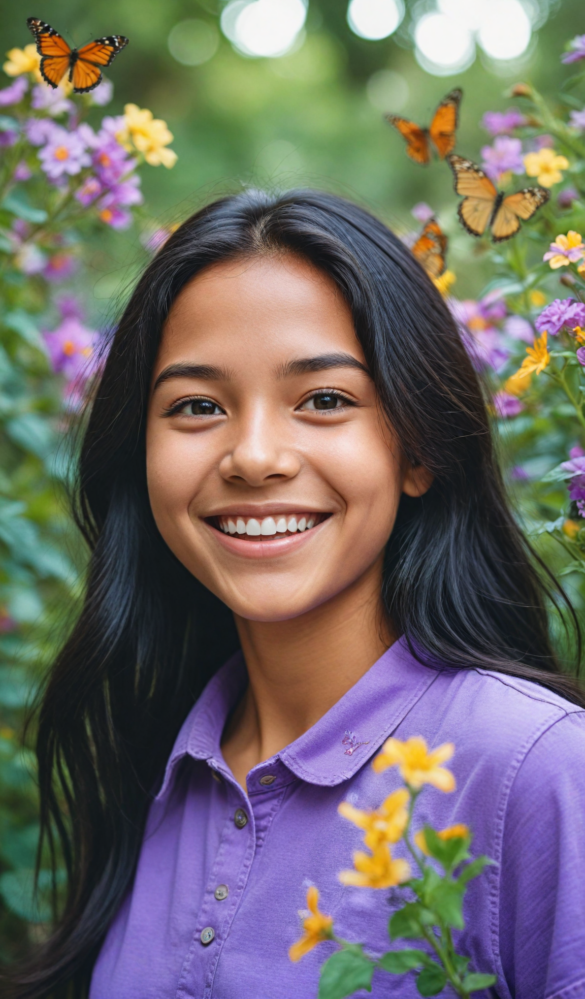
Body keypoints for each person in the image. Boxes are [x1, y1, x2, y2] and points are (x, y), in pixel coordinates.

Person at [8, 190, 585, 999]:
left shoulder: (535, 773)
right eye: (197, 406)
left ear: (417, 448)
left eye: (323, 400)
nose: (252, 456)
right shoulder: (152, 763)